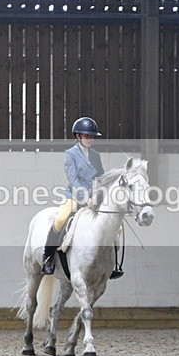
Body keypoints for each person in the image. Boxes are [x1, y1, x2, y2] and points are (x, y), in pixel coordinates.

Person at [41, 117, 123, 279]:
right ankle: (48, 257)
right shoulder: (70, 154)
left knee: (115, 227)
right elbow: (73, 179)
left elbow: (100, 177)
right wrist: (85, 198)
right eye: (87, 136)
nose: (90, 139)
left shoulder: (95, 156)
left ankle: (110, 264)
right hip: (74, 196)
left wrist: (101, 195)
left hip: (93, 198)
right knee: (60, 219)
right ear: (78, 136)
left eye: (92, 136)